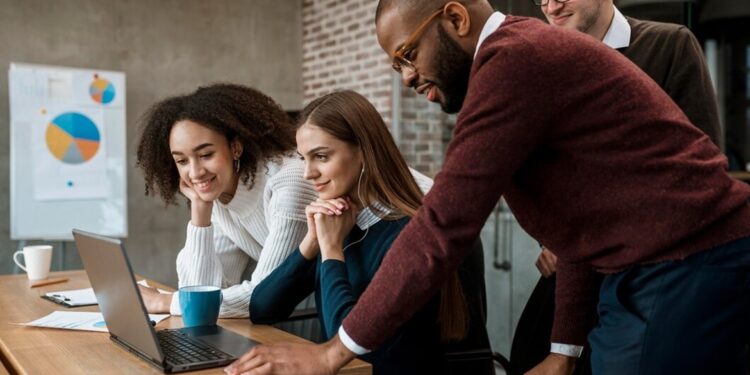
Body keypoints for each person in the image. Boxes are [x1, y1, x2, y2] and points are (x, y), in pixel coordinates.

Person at [225, 1, 750, 375]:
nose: (406, 77)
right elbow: (577, 227)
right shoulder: (516, 63)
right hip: (644, 272)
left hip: (690, 263)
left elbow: (444, 225)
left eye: (408, 54)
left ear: (453, 19)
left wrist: (329, 353)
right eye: (395, 66)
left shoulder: (515, 60)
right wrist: (564, 351)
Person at [511, 0, 724, 373]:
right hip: (572, 278)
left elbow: (703, 177)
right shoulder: (537, 63)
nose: (550, 4)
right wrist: (549, 240)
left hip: (652, 280)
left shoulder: (668, 46)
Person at [247, 90, 492, 375]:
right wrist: (312, 242)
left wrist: (331, 250)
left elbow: (348, 349)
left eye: (321, 157)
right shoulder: (341, 223)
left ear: (363, 152)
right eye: (304, 159)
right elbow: (262, 308)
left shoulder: (410, 234)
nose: (307, 173)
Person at [135, 83, 317, 318]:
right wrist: (200, 213)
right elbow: (203, 293)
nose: (195, 172)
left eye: (206, 155)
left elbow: (265, 292)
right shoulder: (220, 195)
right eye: (182, 161)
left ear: (235, 148)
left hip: (335, 313)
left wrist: (164, 301)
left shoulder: (288, 182)